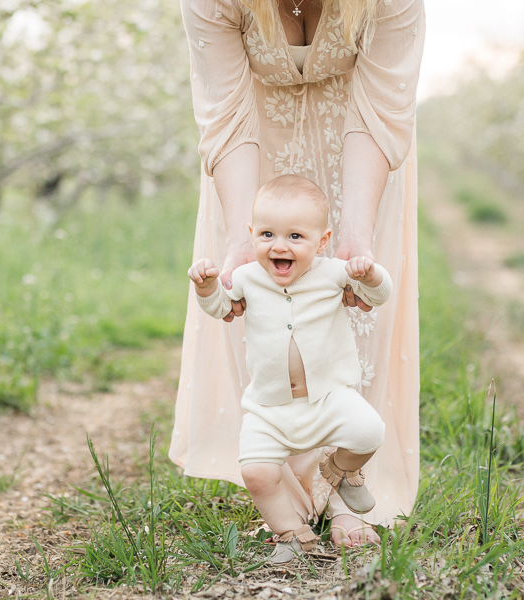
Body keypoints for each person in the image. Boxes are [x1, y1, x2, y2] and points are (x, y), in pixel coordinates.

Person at [170, 0, 424, 547]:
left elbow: (382, 106)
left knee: (354, 311)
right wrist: (242, 235)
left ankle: (344, 487)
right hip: (254, 155)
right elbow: (226, 113)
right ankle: (282, 480)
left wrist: (355, 231)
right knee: (260, 306)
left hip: (359, 147)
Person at [188, 175, 391, 562]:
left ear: (323, 241)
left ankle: (342, 471)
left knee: (368, 431)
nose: (279, 245)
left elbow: (378, 295)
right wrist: (207, 287)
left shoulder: (333, 272)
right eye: (267, 234)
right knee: (257, 473)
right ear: (251, 235)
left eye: (295, 237)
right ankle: (292, 533)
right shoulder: (248, 277)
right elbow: (221, 309)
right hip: (270, 407)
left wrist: (370, 274)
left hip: (328, 397)